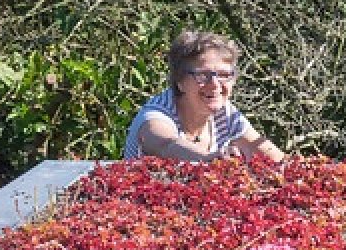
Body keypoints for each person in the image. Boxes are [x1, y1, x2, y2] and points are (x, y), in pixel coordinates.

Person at [122, 29, 288, 163]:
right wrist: (210, 159)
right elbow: (165, 145)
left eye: (224, 75)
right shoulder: (157, 113)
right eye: (202, 75)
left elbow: (272, 156)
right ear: (180, 81)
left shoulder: (226, 114)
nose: (215, 84)